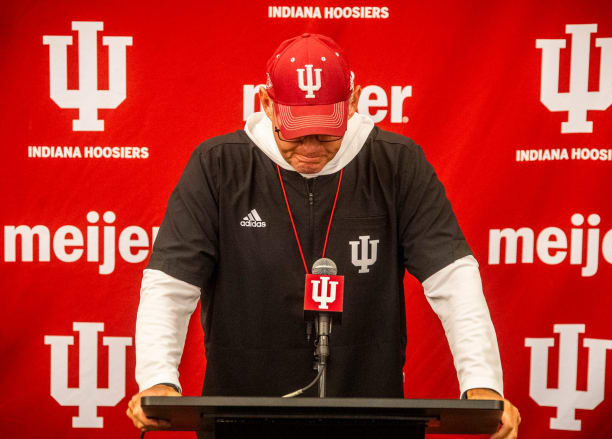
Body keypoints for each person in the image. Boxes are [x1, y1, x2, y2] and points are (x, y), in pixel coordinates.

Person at [126, 33, 521, 438]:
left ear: (353, 103)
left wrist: (482, 385)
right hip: (241, 417)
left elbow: (453, 276)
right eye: (295, 133)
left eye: (326, 133)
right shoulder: (218, 165)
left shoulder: (397, 163)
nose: (311, 148)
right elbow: (170, 282)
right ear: (266, 104)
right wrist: (158, 380)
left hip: (371, 416)